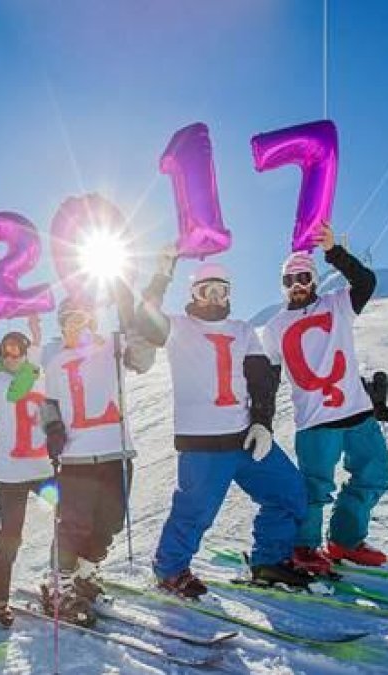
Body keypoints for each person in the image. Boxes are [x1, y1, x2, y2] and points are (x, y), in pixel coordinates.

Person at [136, 251, 314, 597]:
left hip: (245, 436)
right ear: (194, 295)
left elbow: (262, 379)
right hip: (202, 442)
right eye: (207, 291)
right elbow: (143, 322)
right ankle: (170, 569)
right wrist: (161, 275)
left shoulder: (243, 329)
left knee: (289, 492)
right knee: (194, 512)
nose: (215, 298)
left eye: (222, 291)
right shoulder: (177, 327)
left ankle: (269, 561)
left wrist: (262, 423)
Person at [261, 225, 388, 574]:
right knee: (315, 488)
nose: (297, 286)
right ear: (283, 286)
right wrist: (261, 419)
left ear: (314, 279)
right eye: (290, 281)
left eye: (303, 277)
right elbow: (268, 378)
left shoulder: (338, 305)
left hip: (357, 412)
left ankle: (345, 541)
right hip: (315, 421)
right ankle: (304, 547)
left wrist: (334, 251)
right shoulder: (274, 327)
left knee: (376, 475)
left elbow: (366, 282)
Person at [38, 288, 147, 627]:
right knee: (74, 524)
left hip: (116, 451)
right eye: (70, 321)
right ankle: (59, 585)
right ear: (61, 326)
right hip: (76, 457)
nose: (77, 327)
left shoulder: (111, 348)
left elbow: (142, 359)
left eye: (83, 319)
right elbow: (47, 403)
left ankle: (85, 574)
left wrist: (128, 309)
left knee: (110, 522)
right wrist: (53, 427)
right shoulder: (54, 361)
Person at [0, 315, 52, 628]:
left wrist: (36, 337)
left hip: (43, 469)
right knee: (10, 535)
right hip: (11, 475)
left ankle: (61, 583)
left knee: (67, 520)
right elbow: (16, 392)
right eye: (5, 351)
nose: (11, 356)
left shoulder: (35, 372)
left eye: (17, 350)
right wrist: (33, 359)